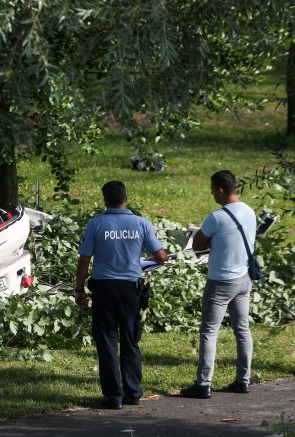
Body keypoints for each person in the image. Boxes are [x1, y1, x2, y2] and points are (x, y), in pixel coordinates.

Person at [75, 181, 168, 409]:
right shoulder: (140, 223)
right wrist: (140, 262)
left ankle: (113, 396)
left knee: (106, 341)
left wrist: (79, 289)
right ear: (127, 197)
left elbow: (85, 259)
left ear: (105, 199)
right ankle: (133, 392)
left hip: (104, 289)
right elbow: (161, 256)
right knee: (130, 339)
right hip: (130, 290)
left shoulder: (96, 224)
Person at [181, 170, 256, 399]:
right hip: (244, 279)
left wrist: (208, 238)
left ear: (221, 190)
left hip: (221, 282)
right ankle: (243, 380)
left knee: (209, 332)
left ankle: (204, 384)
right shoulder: (249, 210)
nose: (212, 193)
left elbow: (197, 245)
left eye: (213, 189)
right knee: (242, 330)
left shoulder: (216, 216)